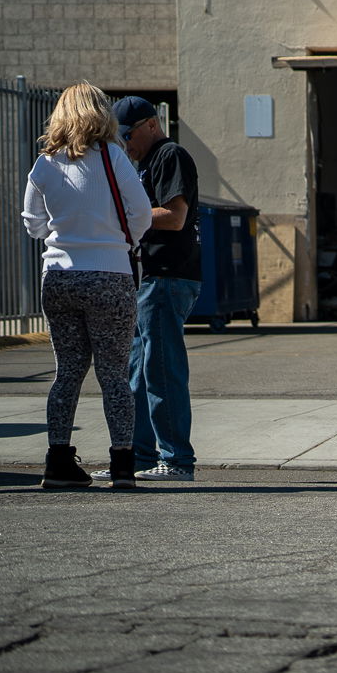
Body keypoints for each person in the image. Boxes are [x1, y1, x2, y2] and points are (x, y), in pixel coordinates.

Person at [22, 83, 153, 490]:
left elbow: (32, 223)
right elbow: (142, 214)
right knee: (113, 373)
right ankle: (122, 464)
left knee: (68, 371)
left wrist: (61, 236)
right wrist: (119, 239)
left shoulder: (45, 163)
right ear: (102, 114)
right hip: (110, 275)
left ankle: (58, 460)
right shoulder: (114, 157)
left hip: (59, 276)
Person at [106, 95, 201, 482]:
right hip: (151, 279)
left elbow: (175, 217)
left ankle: (177, 459)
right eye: (119, 139)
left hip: (167, 276)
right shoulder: (144, 164)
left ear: (150, 125)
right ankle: (141, 456)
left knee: (162, 371)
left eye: (127, 135)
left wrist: (121, 217)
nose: (125, 145)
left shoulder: (168, 155)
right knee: (139, 373)